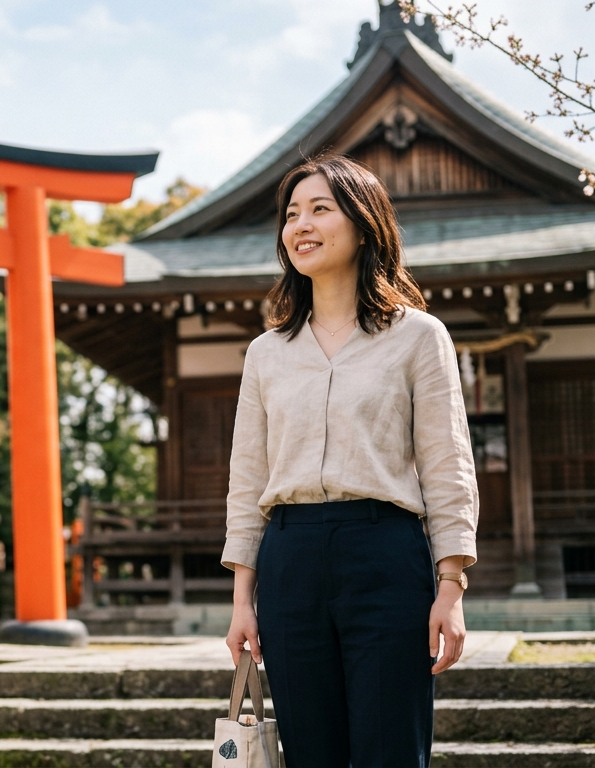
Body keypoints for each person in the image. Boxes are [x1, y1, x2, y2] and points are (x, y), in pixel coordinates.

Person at [223, 153, 479, 767]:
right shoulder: (266, 353)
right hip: (289, 562)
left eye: (319, 209)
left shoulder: (419, 336)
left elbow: (447, 463)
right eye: (290, 214)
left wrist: (450, 585)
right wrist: (241, 599)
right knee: (311, 752)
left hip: (385, 554)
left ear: (364, 225)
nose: (300, 226)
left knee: (391, 747)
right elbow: (248, 477)